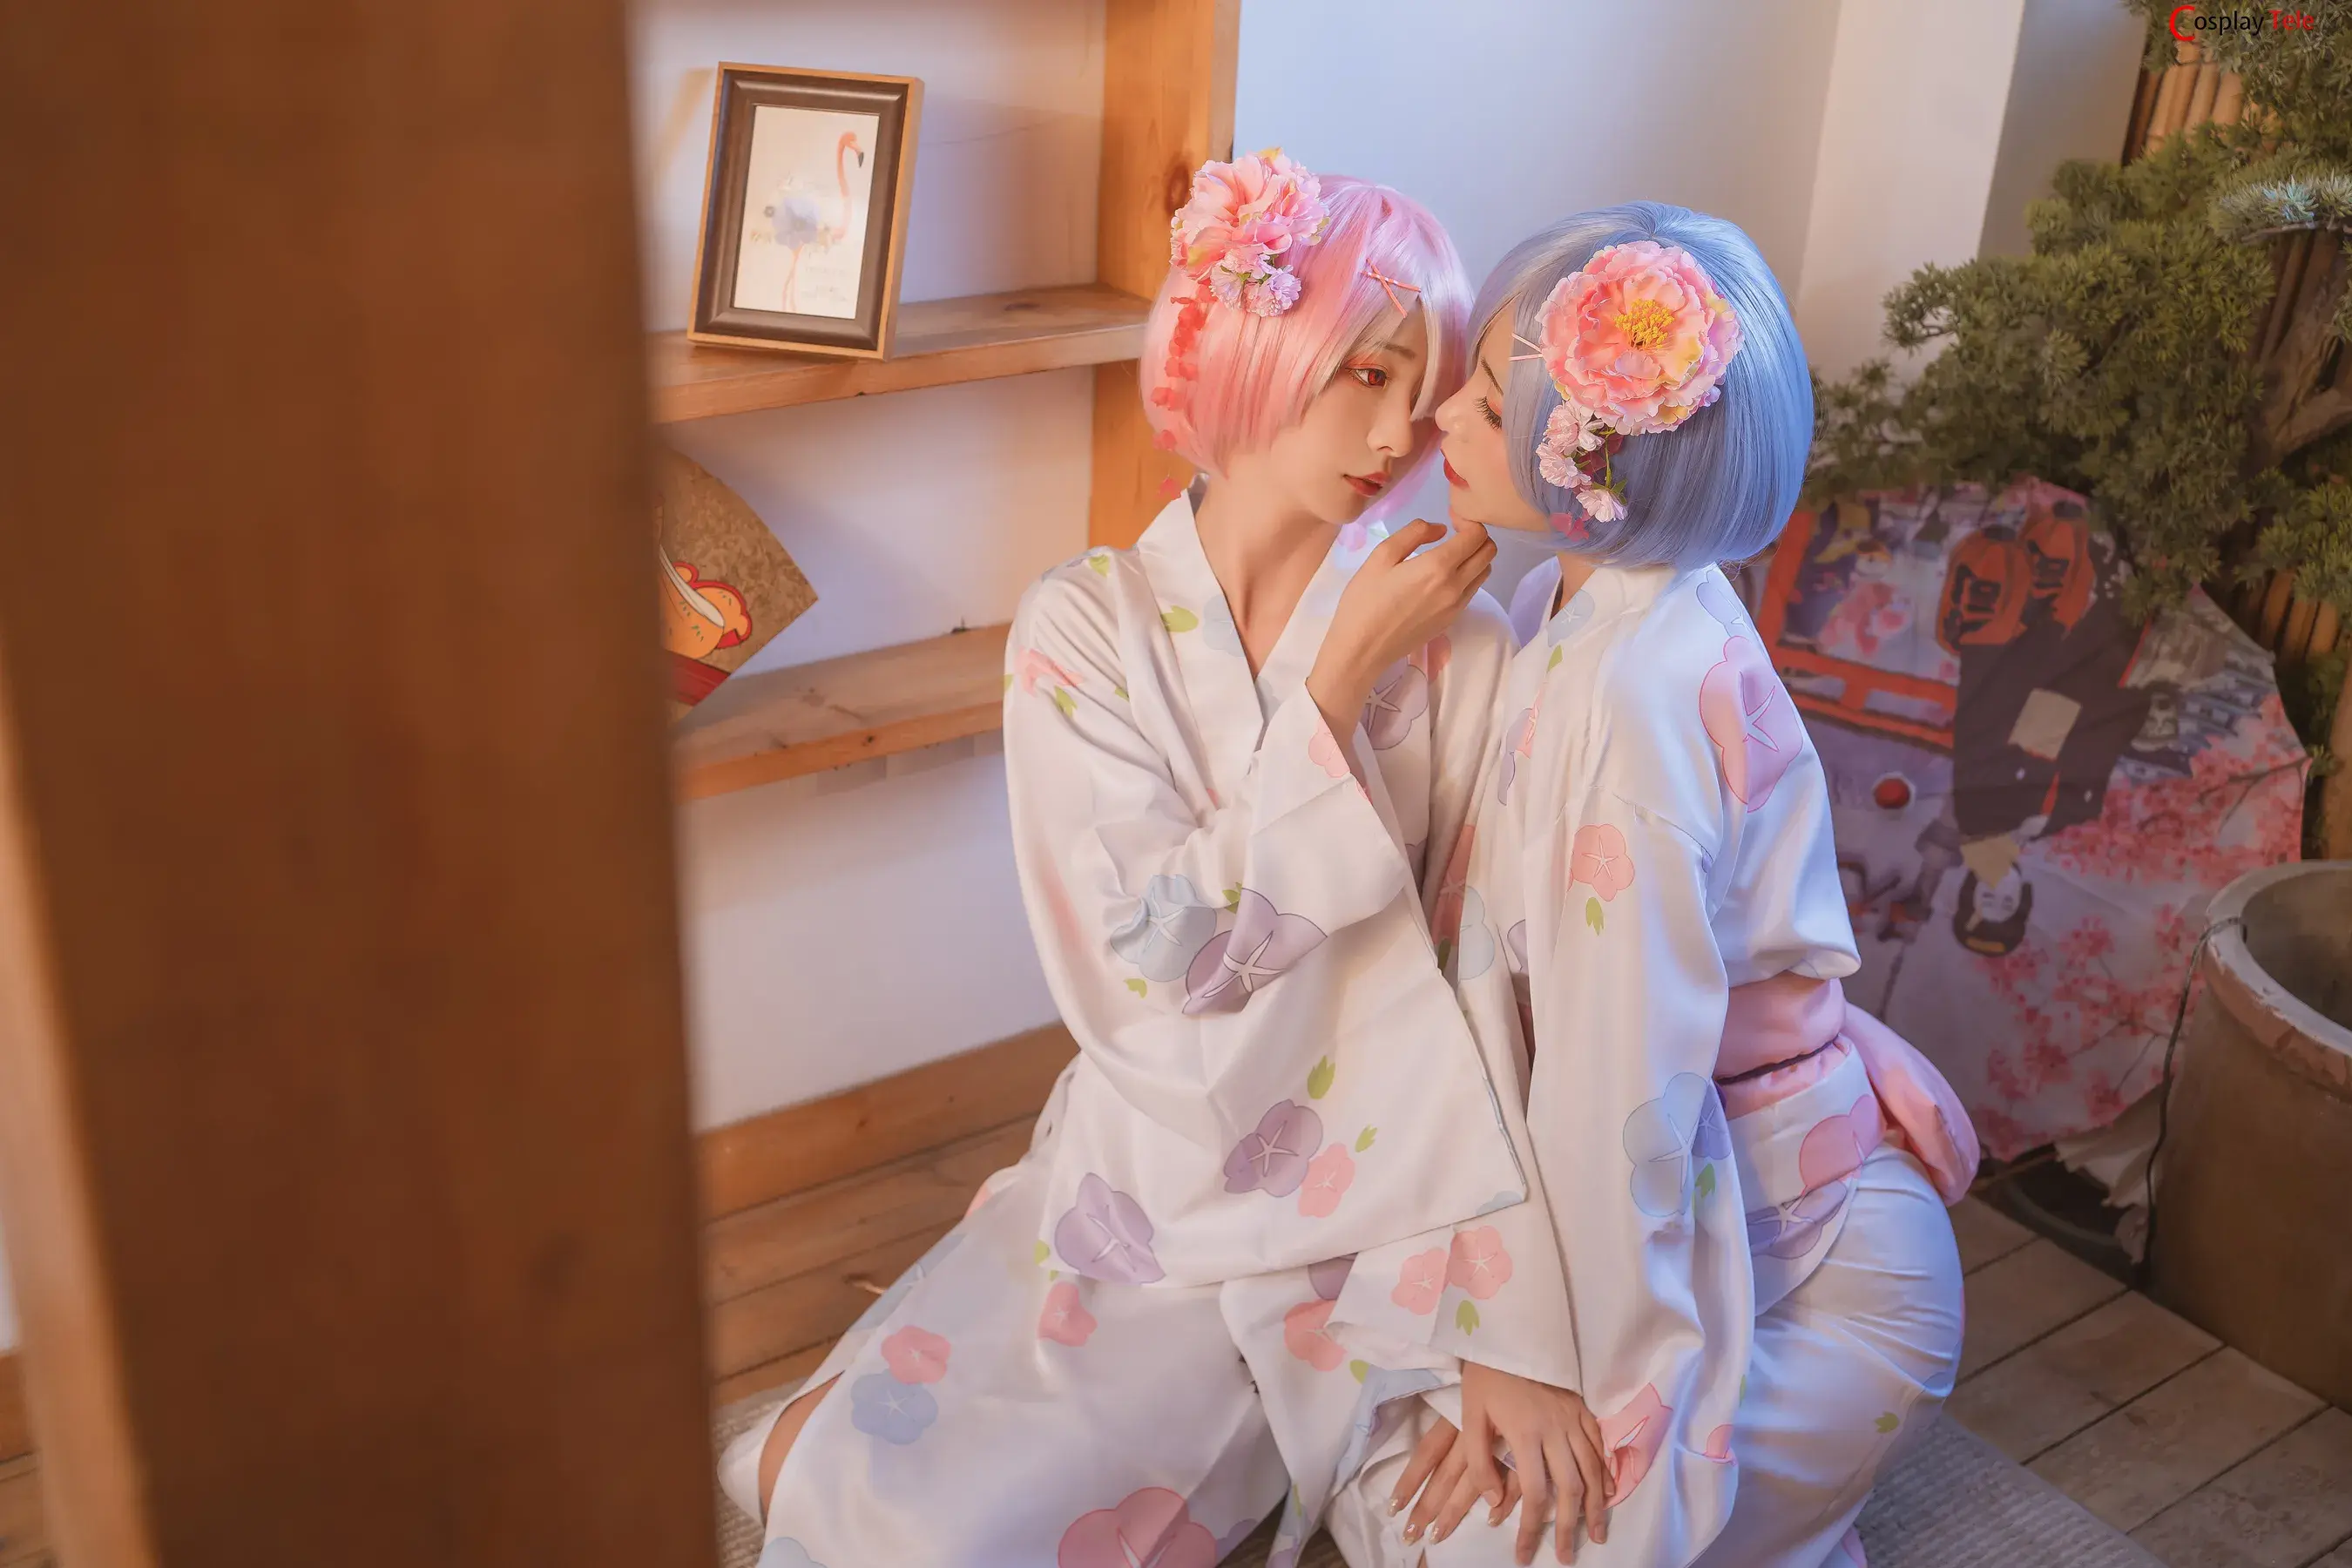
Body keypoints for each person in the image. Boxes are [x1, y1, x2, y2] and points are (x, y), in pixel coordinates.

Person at [719, 152, 1538, 1568]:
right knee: (846, 1488)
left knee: (951, 1542)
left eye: (1428, 387)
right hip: (1129, 1170)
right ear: (1259, 355)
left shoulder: (1454, 637)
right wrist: (1336, 688)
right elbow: (1153, 966)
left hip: (1345, 1212)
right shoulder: (1083, 627)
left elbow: (1492, 967)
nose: (1400, 429)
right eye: (1366, 373)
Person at [1313, 204, 1977, 1568]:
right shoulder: (1584, 608)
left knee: (1477, 1510)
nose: (1440, 417)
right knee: (1359, 1413)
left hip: (1813, 1269)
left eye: (1489, 404)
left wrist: (1549, 1357)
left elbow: (1628, 1087)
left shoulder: (1632, 694)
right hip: (1715, 1178)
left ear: (1595, 457)